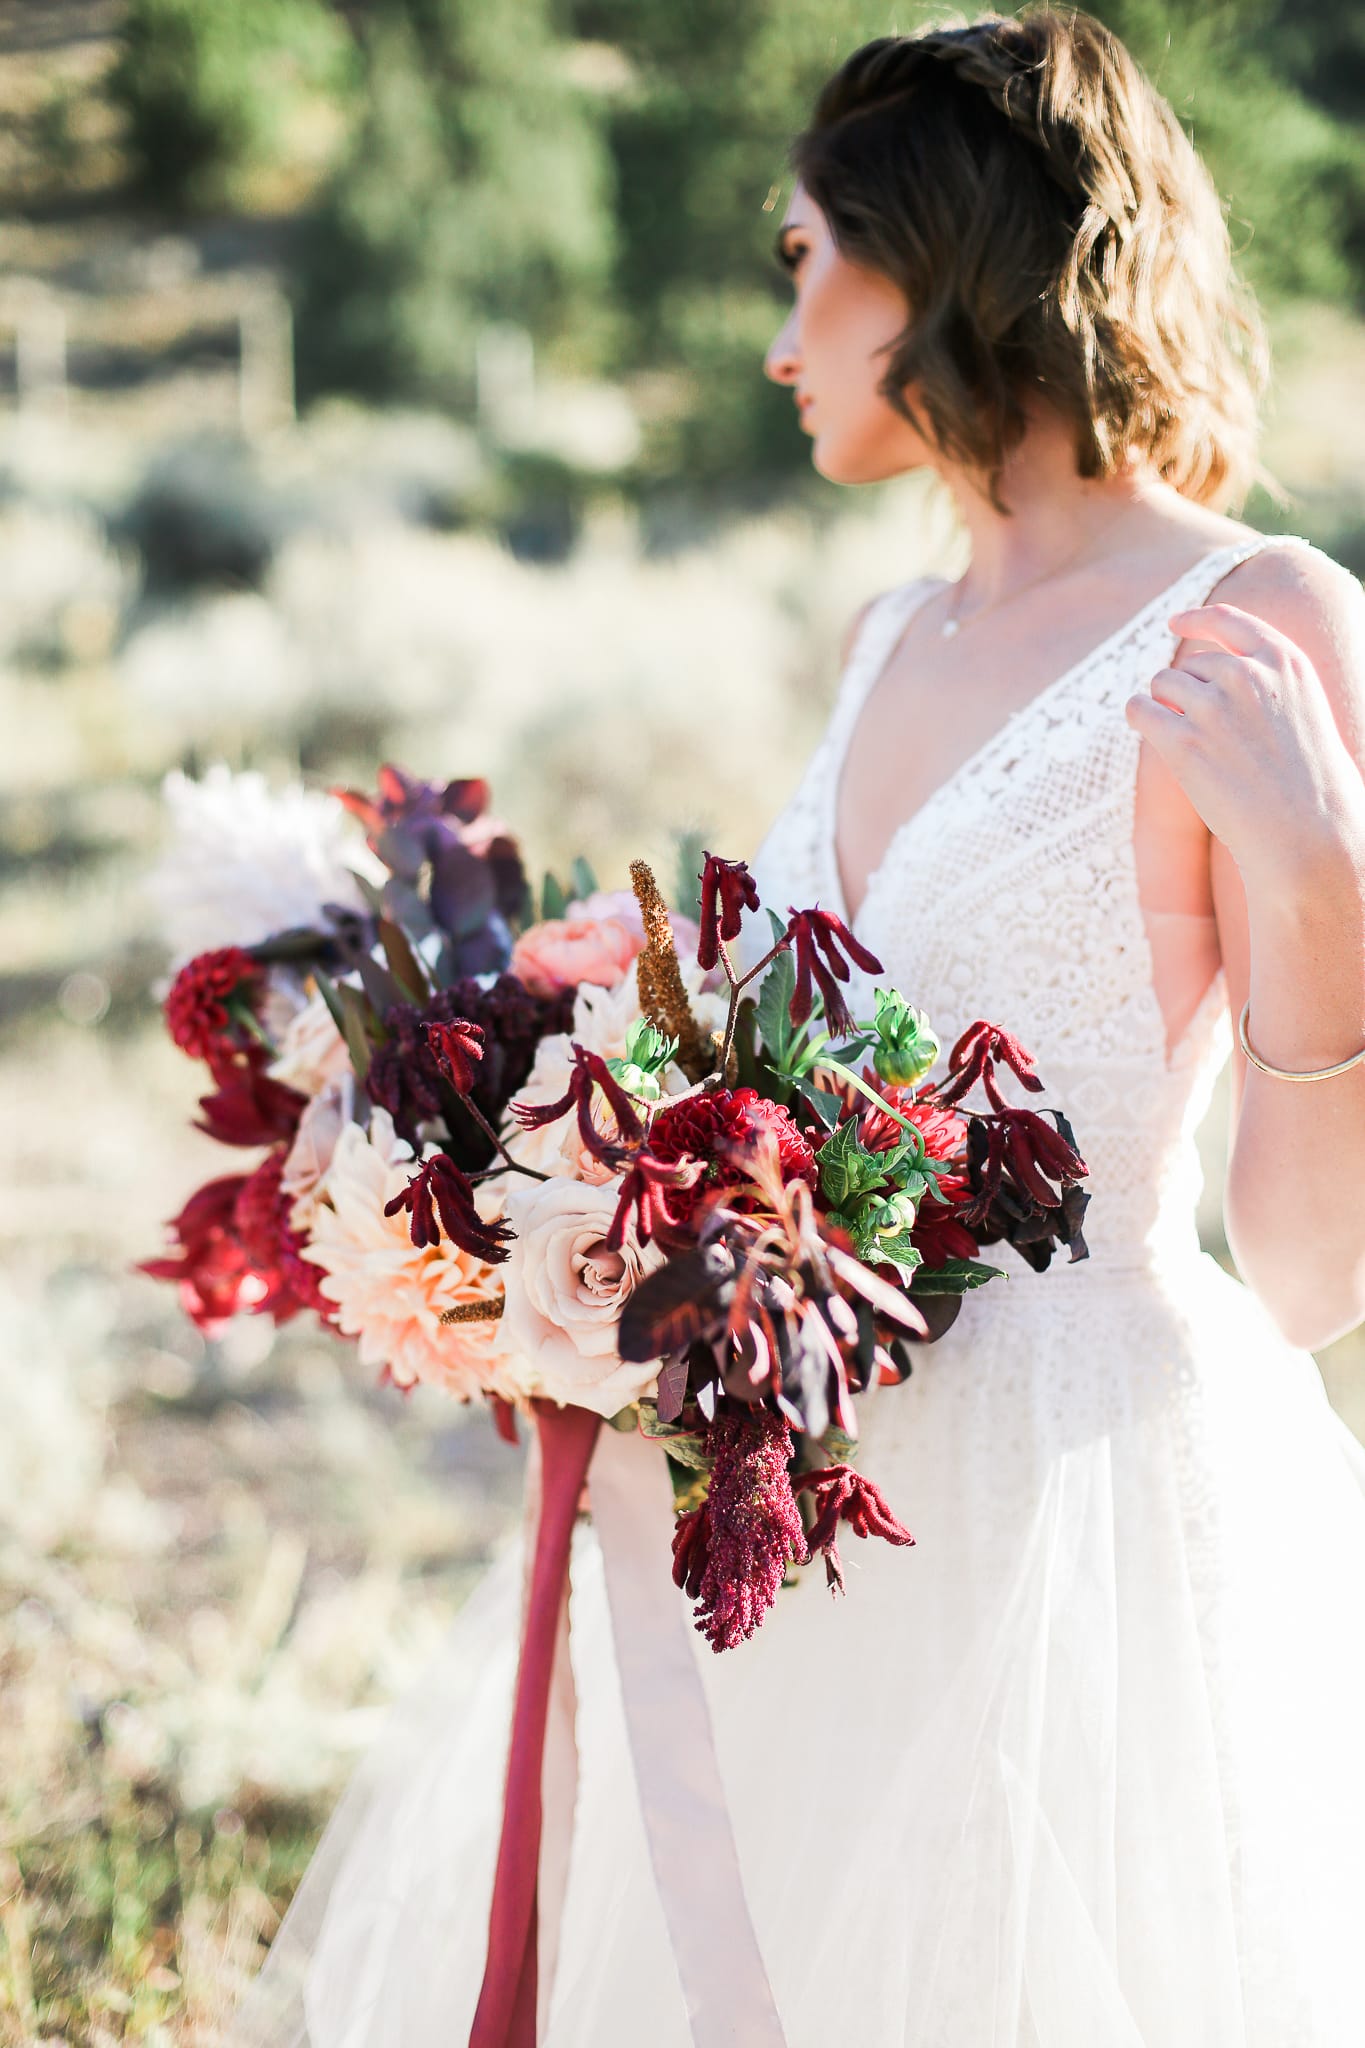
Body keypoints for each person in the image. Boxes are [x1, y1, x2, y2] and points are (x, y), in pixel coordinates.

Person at [233, 10, 1365, 2043]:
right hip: (793, 1484)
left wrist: (1314, 889)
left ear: (936, 257)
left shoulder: (1257, 617)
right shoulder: (883, 630)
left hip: (1076, 1505)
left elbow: (1303, 1275)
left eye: (801, 260)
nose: (780, 338)